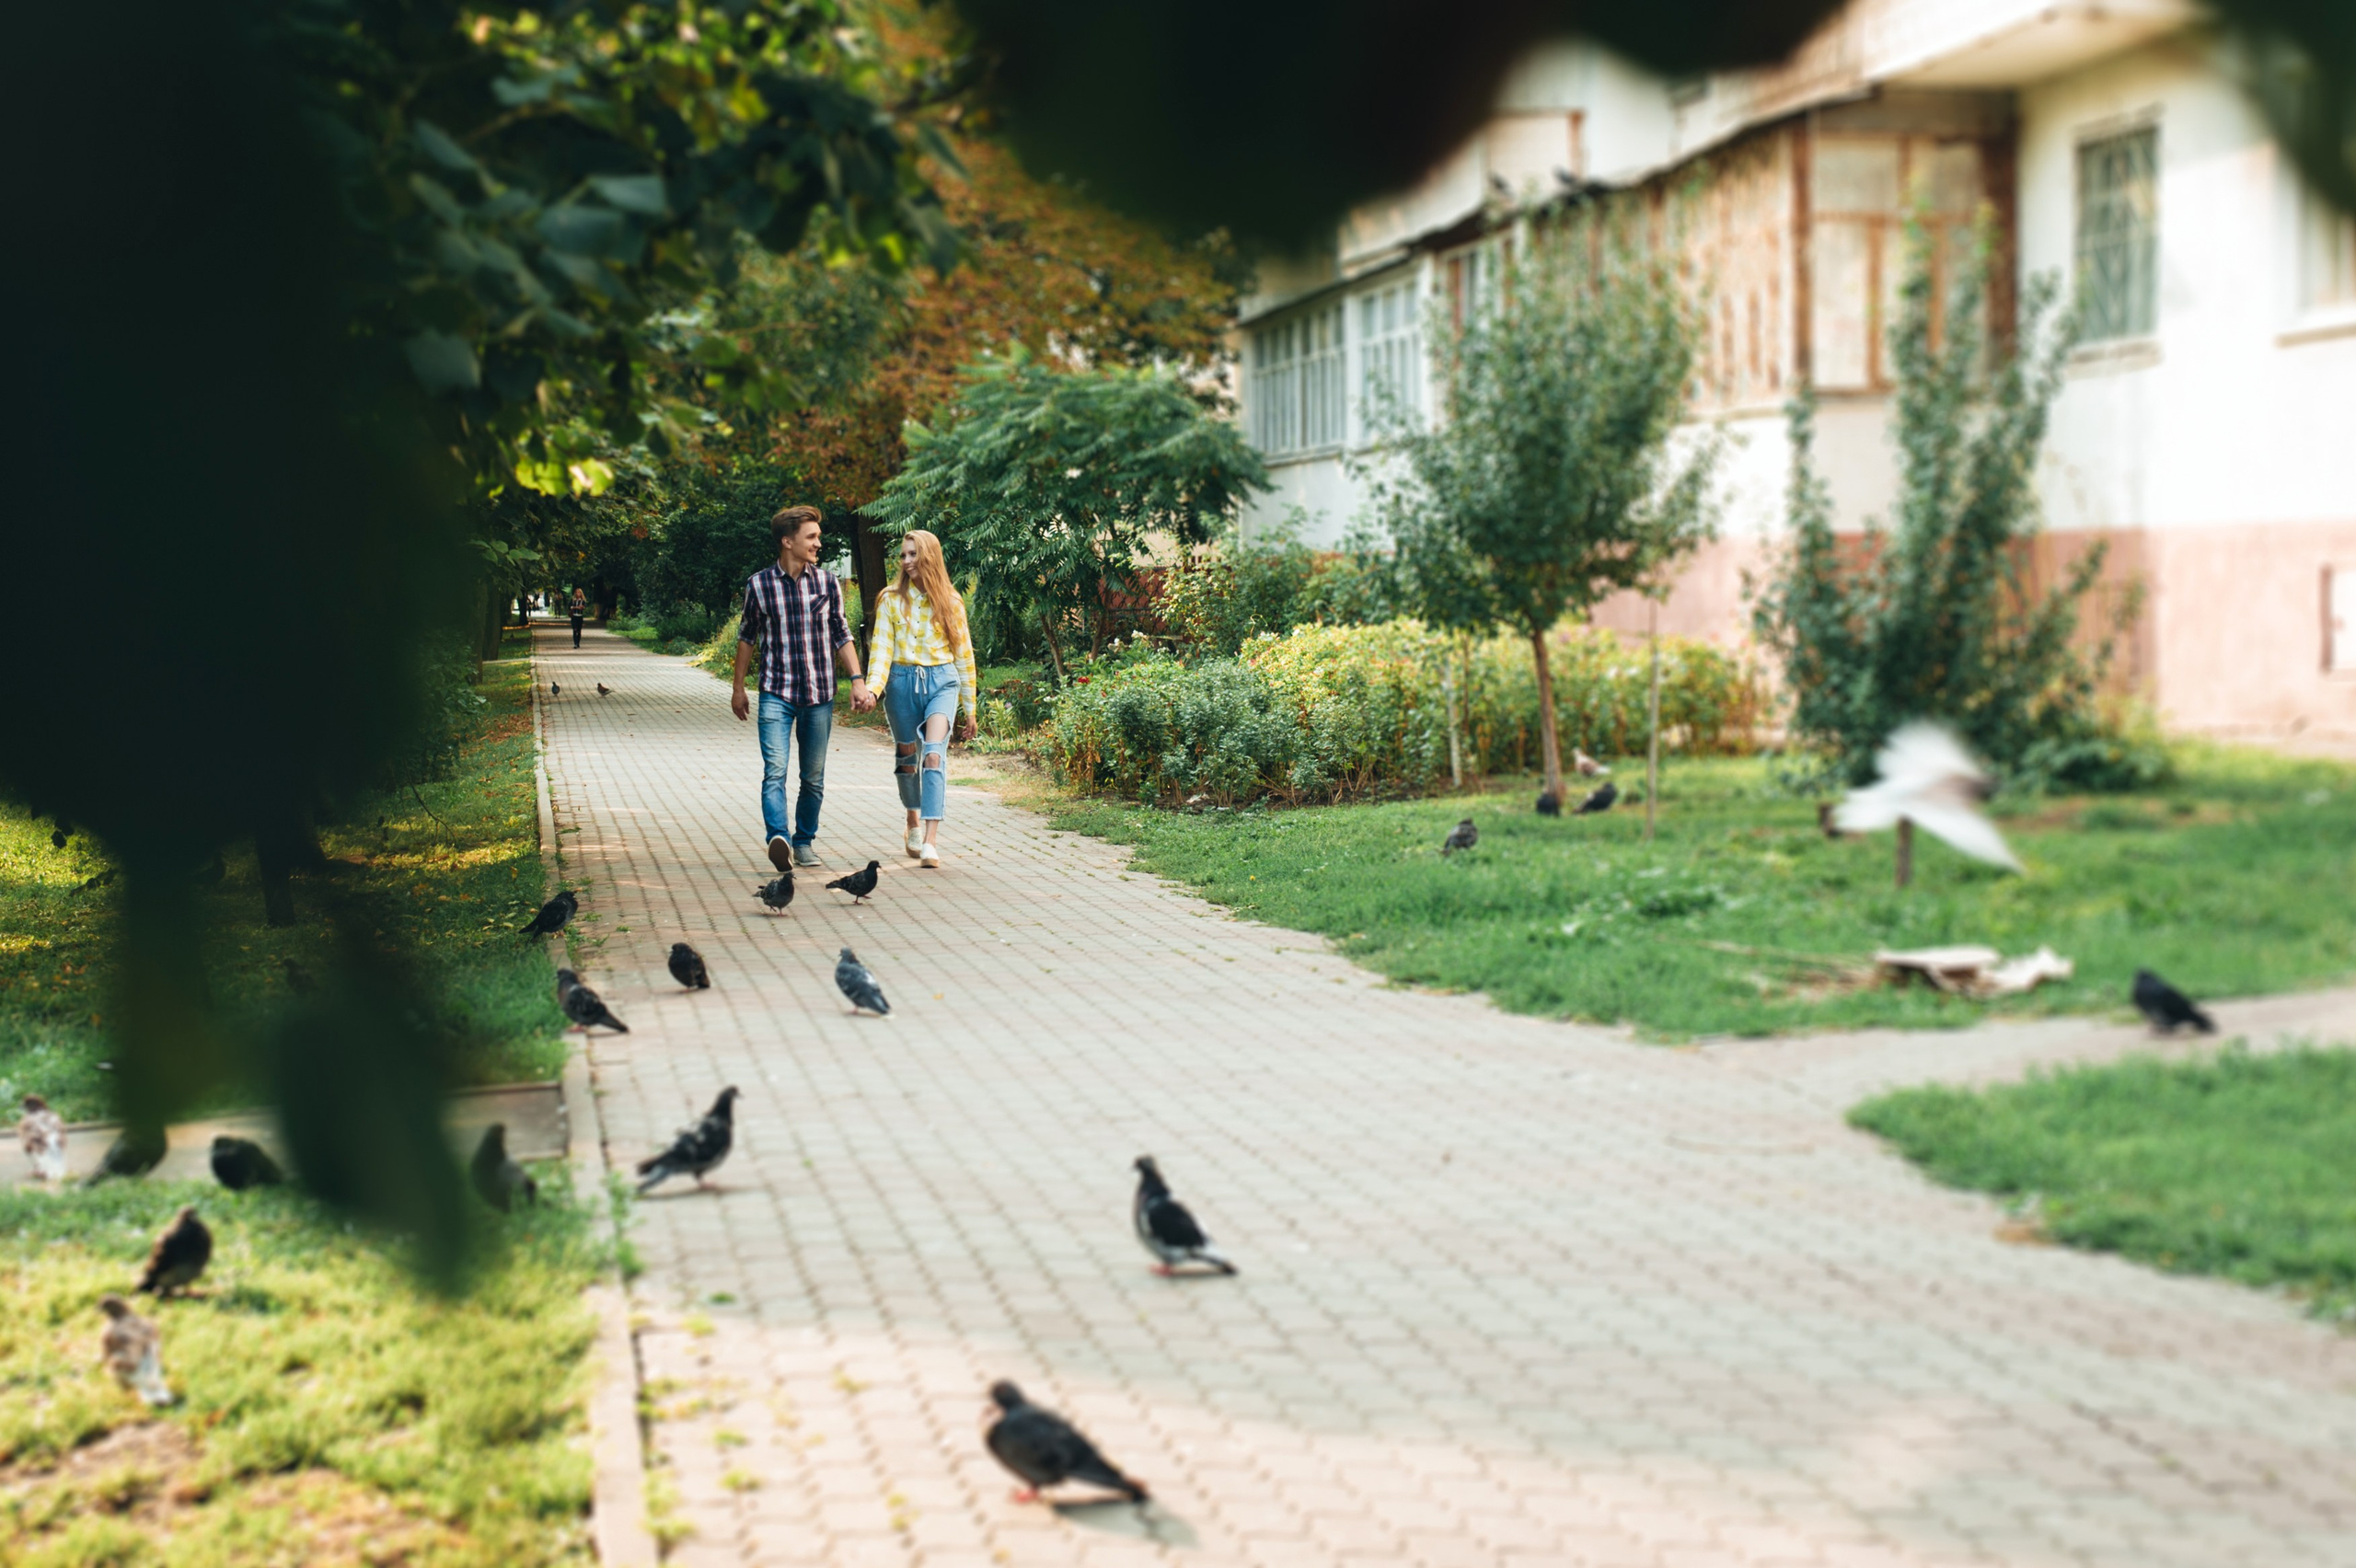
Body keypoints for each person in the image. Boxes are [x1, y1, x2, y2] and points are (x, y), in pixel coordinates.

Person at [731, 505, 872, 870]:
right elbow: (747, 637)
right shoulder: (759, 584)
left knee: (813, 777)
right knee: (775, 770)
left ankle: (804, 840)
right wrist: (738, 688)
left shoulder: (827, 582)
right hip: (776, 692)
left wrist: (857, 680)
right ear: (787, 541)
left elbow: (841, 632)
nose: (818, 544)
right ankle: (778, 837)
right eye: (811, 537)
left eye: (818, 537)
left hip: (819, 694)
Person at [868, 529, 977, 868]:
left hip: (940, 682)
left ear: (929, 556)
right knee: (906, 757)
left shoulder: (952, 602)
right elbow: (882, 649)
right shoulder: (889, 598)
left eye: (913, 554)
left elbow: (964, 655)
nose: (906, 561)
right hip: (901, 682)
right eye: (903, 555)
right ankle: (912, 821)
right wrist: (873, 689)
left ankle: (931, 841)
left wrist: (969, 708)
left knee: (933, 755)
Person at [568, 585, 587, 649]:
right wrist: (576, 607)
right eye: (576, 592)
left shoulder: (583, 600)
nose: (577, 594)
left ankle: (578, 642)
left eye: (579, 592)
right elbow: (570, 607)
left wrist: (580, 607)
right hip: (574, 617)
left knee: (579, 630)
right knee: (575, 629)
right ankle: (575, 643)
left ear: (581, 593)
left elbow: (583, 607)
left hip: (580, 617)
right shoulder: (573, 600)